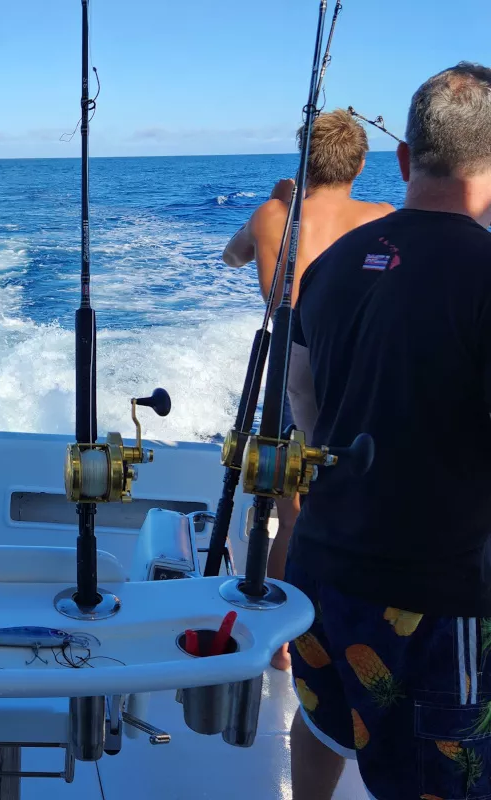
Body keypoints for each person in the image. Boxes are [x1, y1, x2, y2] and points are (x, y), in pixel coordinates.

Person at [287, 62, 491, 800]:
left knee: (320, 724)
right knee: (446, 776)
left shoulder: (331, 264)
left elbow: (302, 399)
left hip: (319, 571)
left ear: (406, 160)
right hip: (435, 597)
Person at [222, 109, 394, 669]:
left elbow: (232, 255)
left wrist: (276, 205)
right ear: (361, 164)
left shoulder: (274, 214)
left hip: (292, 361)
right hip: (360, 364)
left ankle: (283, 647)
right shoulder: (383, 216)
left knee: (289, 510)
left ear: (302, 160)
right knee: (359, 493)